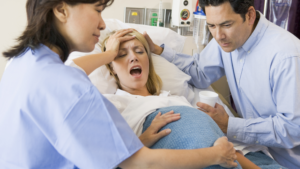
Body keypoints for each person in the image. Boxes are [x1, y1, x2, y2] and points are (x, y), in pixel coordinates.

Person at [0, 0, 238, 168]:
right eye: (97, 9)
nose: (103, 24)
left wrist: (109, 54)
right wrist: (216, 155)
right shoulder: (73, 89)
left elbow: (70, 73)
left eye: (138, 51)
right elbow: (142, 164)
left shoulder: (22, 66)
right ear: (62, 10)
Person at [72, 30, 285, 169]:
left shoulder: (175, 97)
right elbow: (67, 76)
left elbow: (230, 152)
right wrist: (141, 141)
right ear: (111, 67)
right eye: (121, 54)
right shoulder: (112, 103)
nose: (134, 57)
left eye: (139, 51)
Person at [144, 0, 300, 168]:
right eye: (211, 25)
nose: (218, 36)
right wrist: (158, 50)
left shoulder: (286, 56)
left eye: (226, 24)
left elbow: (293, 129)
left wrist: (230, 126)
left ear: (250, 15)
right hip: (262, 152)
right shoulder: (228, 39)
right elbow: (200, 73)